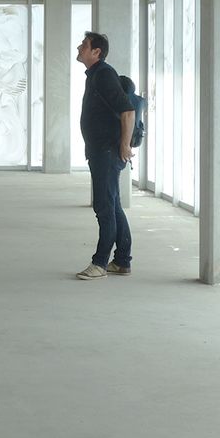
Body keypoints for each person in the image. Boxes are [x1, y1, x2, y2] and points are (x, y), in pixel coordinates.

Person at [75, 31, 135, 279]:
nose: (79, 47)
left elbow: (128, 111)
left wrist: (124, 144)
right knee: (113, 205)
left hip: (107, 151)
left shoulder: (104, 74)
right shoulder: (95, 75)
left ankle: (100, 263)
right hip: (101, 150)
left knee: (104, 207)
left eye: (84, 45)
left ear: (96, 52)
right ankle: (121, 261)